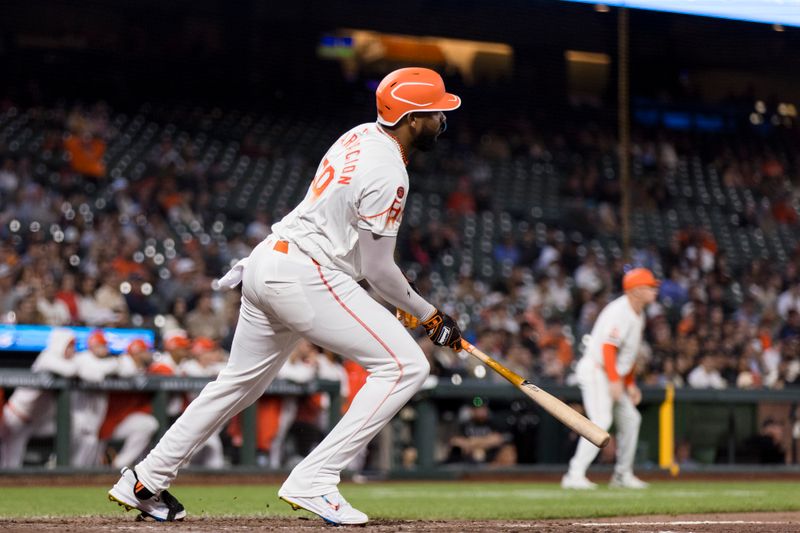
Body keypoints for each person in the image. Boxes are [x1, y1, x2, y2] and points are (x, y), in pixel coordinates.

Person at [108, 67, 463, 524]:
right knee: (405, 366)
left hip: (267, 264)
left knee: (236, 384)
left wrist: (410, 306)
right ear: (414, 119)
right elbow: (379, 271)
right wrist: (430, 315)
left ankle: (146, 479)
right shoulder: (390, 172)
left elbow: (363, 254)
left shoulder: (358, 135)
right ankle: (316, 478)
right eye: (436, 112)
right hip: (305, 273)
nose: (442, 120)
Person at [561, 268, 658, 490]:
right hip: (597, 370)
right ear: (636, 290)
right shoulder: (620, 311)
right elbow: (608, 347)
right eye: (650, 286)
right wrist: (616, 381)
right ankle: (574, 474)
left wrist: (630, 383)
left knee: (631, 419)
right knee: (601, 422)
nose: (654, 290)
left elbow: (629, 354)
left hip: (611, 374)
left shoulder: (639, 313)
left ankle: (622, 475)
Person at [0, 329, 77, 467]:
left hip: (28, 423)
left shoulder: (64, 361)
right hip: (12, 415)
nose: (72, 351)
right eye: (69, 346)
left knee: (11, 465)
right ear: (60, 344)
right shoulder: (47, 357)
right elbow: (71, 370)